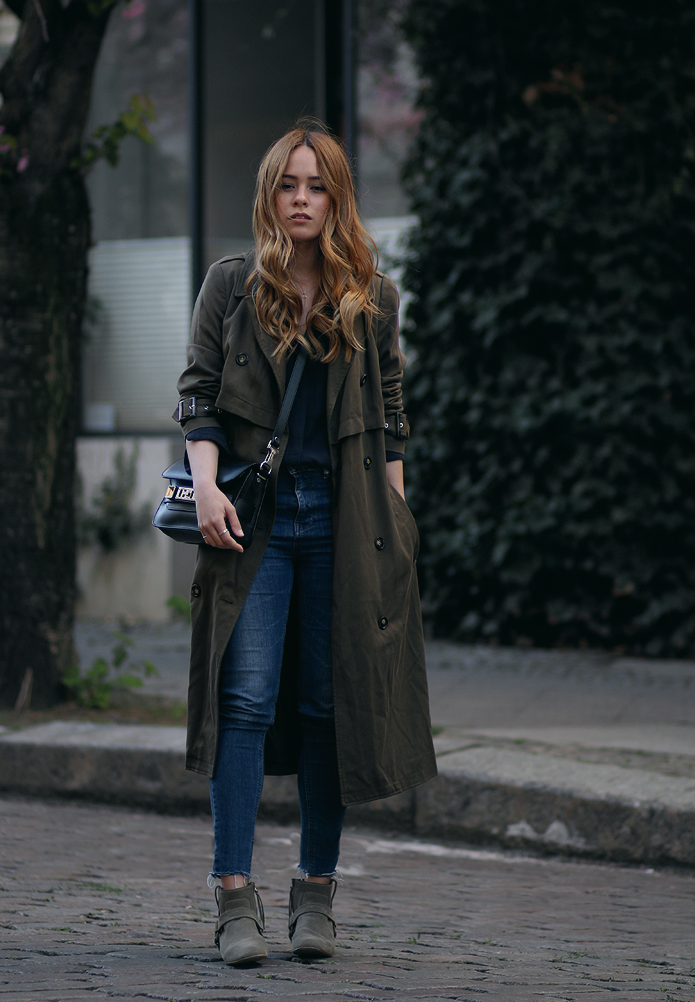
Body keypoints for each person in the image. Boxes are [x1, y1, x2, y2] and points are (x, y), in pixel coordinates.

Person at [175, 124, 436, 967]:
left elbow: (390, 422)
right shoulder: (230, 285)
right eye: (288, 183)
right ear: (269, 193)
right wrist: (207, 485)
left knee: (332, 708)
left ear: (337, 199)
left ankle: (316, 894)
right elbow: (201, 396)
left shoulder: (371, 297)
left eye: (316, 186)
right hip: (256, 521)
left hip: (345, 525)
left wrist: (395, 532)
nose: (300, 198)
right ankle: (233, 895)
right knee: (244, 700)